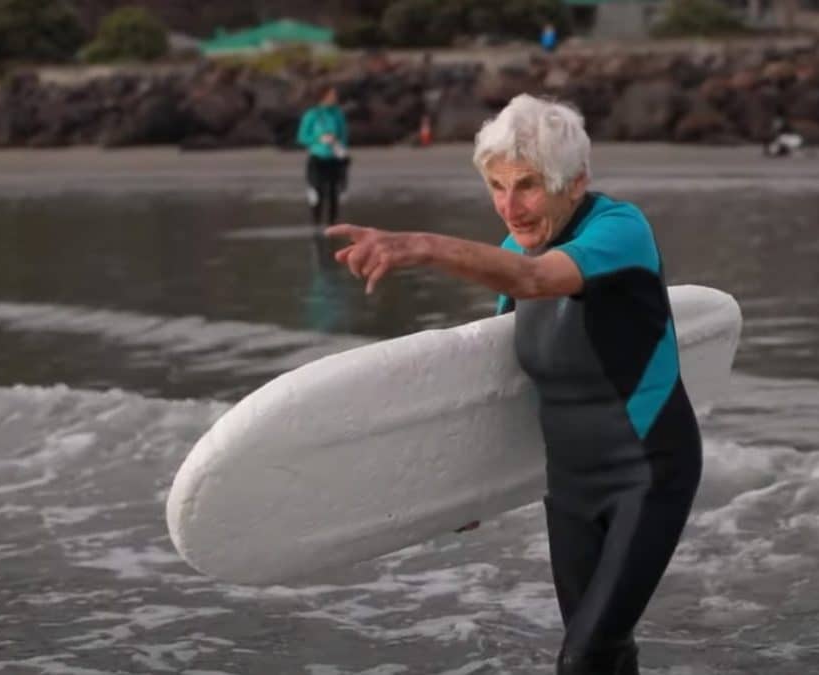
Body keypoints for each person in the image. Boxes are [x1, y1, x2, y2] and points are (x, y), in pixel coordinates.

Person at [326, 94, 702, 675]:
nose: (510, 207)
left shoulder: (620, 231)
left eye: (527, 185)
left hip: (647, 473)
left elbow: (534, 280)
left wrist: (421, 246)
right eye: (497, 187)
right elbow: (501, 385)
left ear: (574, 183)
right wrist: (472, 485)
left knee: (584, 656)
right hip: (570, 486)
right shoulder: (509, 255)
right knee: (602, 647)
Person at [297, 85, 350, 226]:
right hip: (317, 157)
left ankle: (332, 224)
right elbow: (302, 137)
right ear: (323, 96)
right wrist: (319, 139)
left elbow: (343, 135)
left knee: (334, 192)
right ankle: (316, 223)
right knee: (317, 191)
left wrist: (341, 146)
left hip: (334, 158)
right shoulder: (312, 115)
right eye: (332, 95)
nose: (335, 98)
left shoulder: (338, 114)